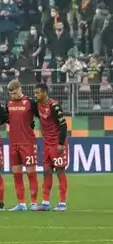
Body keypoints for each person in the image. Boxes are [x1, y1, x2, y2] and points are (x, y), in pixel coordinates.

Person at [4, 80, 39, 211]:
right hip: (13, 143)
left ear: (20, 88)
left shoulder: (30, 102)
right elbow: (8, 119)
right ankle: (21, 203)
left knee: (31, 173)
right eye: (11, 94)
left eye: (15, 92)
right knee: (16, 173)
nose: (13, 95)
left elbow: (41, 116)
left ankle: (34, 203)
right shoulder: (9, 103)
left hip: (28, 143)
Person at [33, 83, 69, 211]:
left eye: (38, 93)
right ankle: (45, 202)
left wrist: (60, 143)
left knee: (60, 171)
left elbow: (64, 125)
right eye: (35, 93)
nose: (35, 95)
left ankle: (62, 203)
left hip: (57, 143)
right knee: (46, 171)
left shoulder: (54, 105)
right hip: (47, 143)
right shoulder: (37, 105)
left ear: (44, 92)